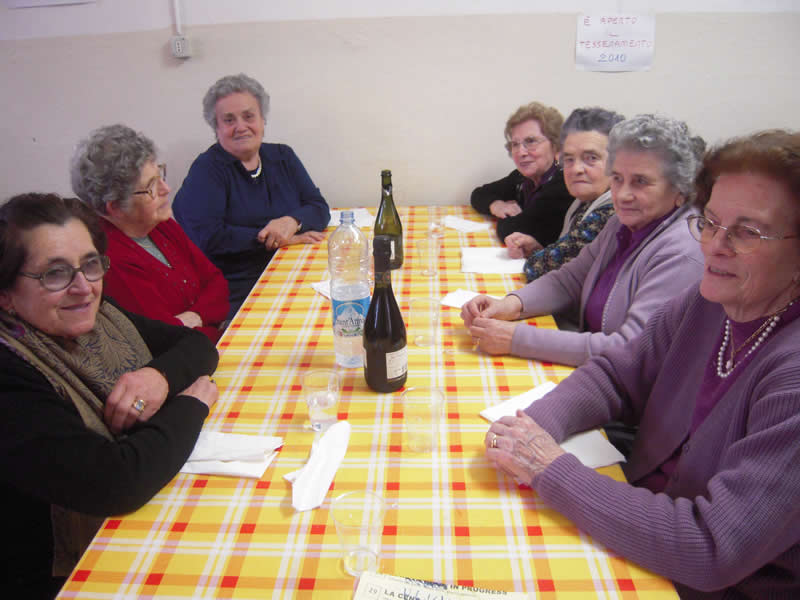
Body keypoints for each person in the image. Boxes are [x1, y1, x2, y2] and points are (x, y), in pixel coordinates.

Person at [484, 129, 800, 598]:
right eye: (710, 222)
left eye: (747, 232)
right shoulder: (709, 302)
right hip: (639, 518)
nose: (714, 246)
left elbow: (711, 547)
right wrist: (534, 429)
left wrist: (550, 467)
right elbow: (615, 372)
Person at [0, 193, 219, 599]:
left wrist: (156, 377)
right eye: (54, 273)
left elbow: (197, 346)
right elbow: (116, 481)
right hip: (59, 575)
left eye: (90, 264)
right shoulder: (11, 370)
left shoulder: (99, 317)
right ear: (6, 294)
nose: (83, 287)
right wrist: (192, 404)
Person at [461, 114, 704, 367]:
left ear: (680, 190)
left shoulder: (682, 252)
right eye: (618, 178)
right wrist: (509, 304)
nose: (623, 194)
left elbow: (631, 348)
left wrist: (516, 338)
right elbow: (570, 279)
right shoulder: (622, 224)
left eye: (641, 181)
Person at [173, 73, 330, 318]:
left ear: (262, 120)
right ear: (216, 127)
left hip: (293, 270)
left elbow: (319, 207)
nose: (241, 127)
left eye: (249, 116)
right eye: (228, 120)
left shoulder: (283, 156)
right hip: (242, 288)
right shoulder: (207, 170)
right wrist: (277, 238)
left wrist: (291, 222)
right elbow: (210, 237)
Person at [71, 124, 229, 342]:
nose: (166, 189)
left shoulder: (159, 224)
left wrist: (195, 316)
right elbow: (169, 338)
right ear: (115, 206)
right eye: (152, 186)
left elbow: (217, 282)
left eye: (160, 175)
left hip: (214, 336)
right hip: (196, 356)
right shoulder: (112, 261)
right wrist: (206, 318)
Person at [504, 107, 624, 282]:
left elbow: (539, 269)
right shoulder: (585, 202)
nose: (576, 169)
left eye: (591, 158)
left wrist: (539, 256)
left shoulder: (610, 215)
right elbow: (566, 263)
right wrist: (537, 248)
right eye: (569, 159)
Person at [470, 101, 574, 246]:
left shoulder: (563, 185)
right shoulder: (522, 178)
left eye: (531, 141)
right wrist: (497, 205)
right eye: (515, 144)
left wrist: (511, 218)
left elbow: (510, 230)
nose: (521, 152)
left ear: (555, 146)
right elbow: (479, 194)